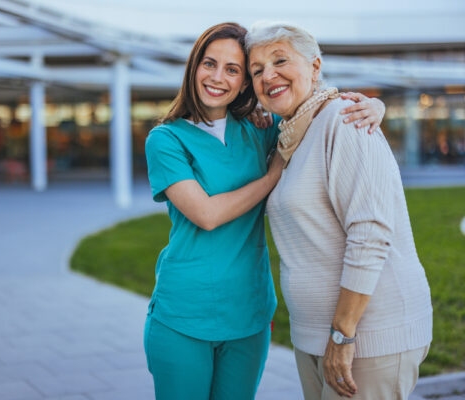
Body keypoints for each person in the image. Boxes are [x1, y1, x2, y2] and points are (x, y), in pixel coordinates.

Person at [144, 22, 385, 400]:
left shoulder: (262, 128)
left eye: (233, 69)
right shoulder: (166, 139)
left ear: (244, 84)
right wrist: (274, 172)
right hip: (183, 312)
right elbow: (206, 215)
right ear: (193, 68)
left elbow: (315, 107)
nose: (217, 77)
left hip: (249, 312)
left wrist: (373, 105)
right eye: (209, 64)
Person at [246, 22, 433, 400]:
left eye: (280, 59)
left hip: (367, 337)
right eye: (256, 70)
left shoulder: (344, 120)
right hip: (315, 336)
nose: (268, 75)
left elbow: (370, 234)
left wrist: (342, 334)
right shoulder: (289, 136)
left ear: (315, 67)